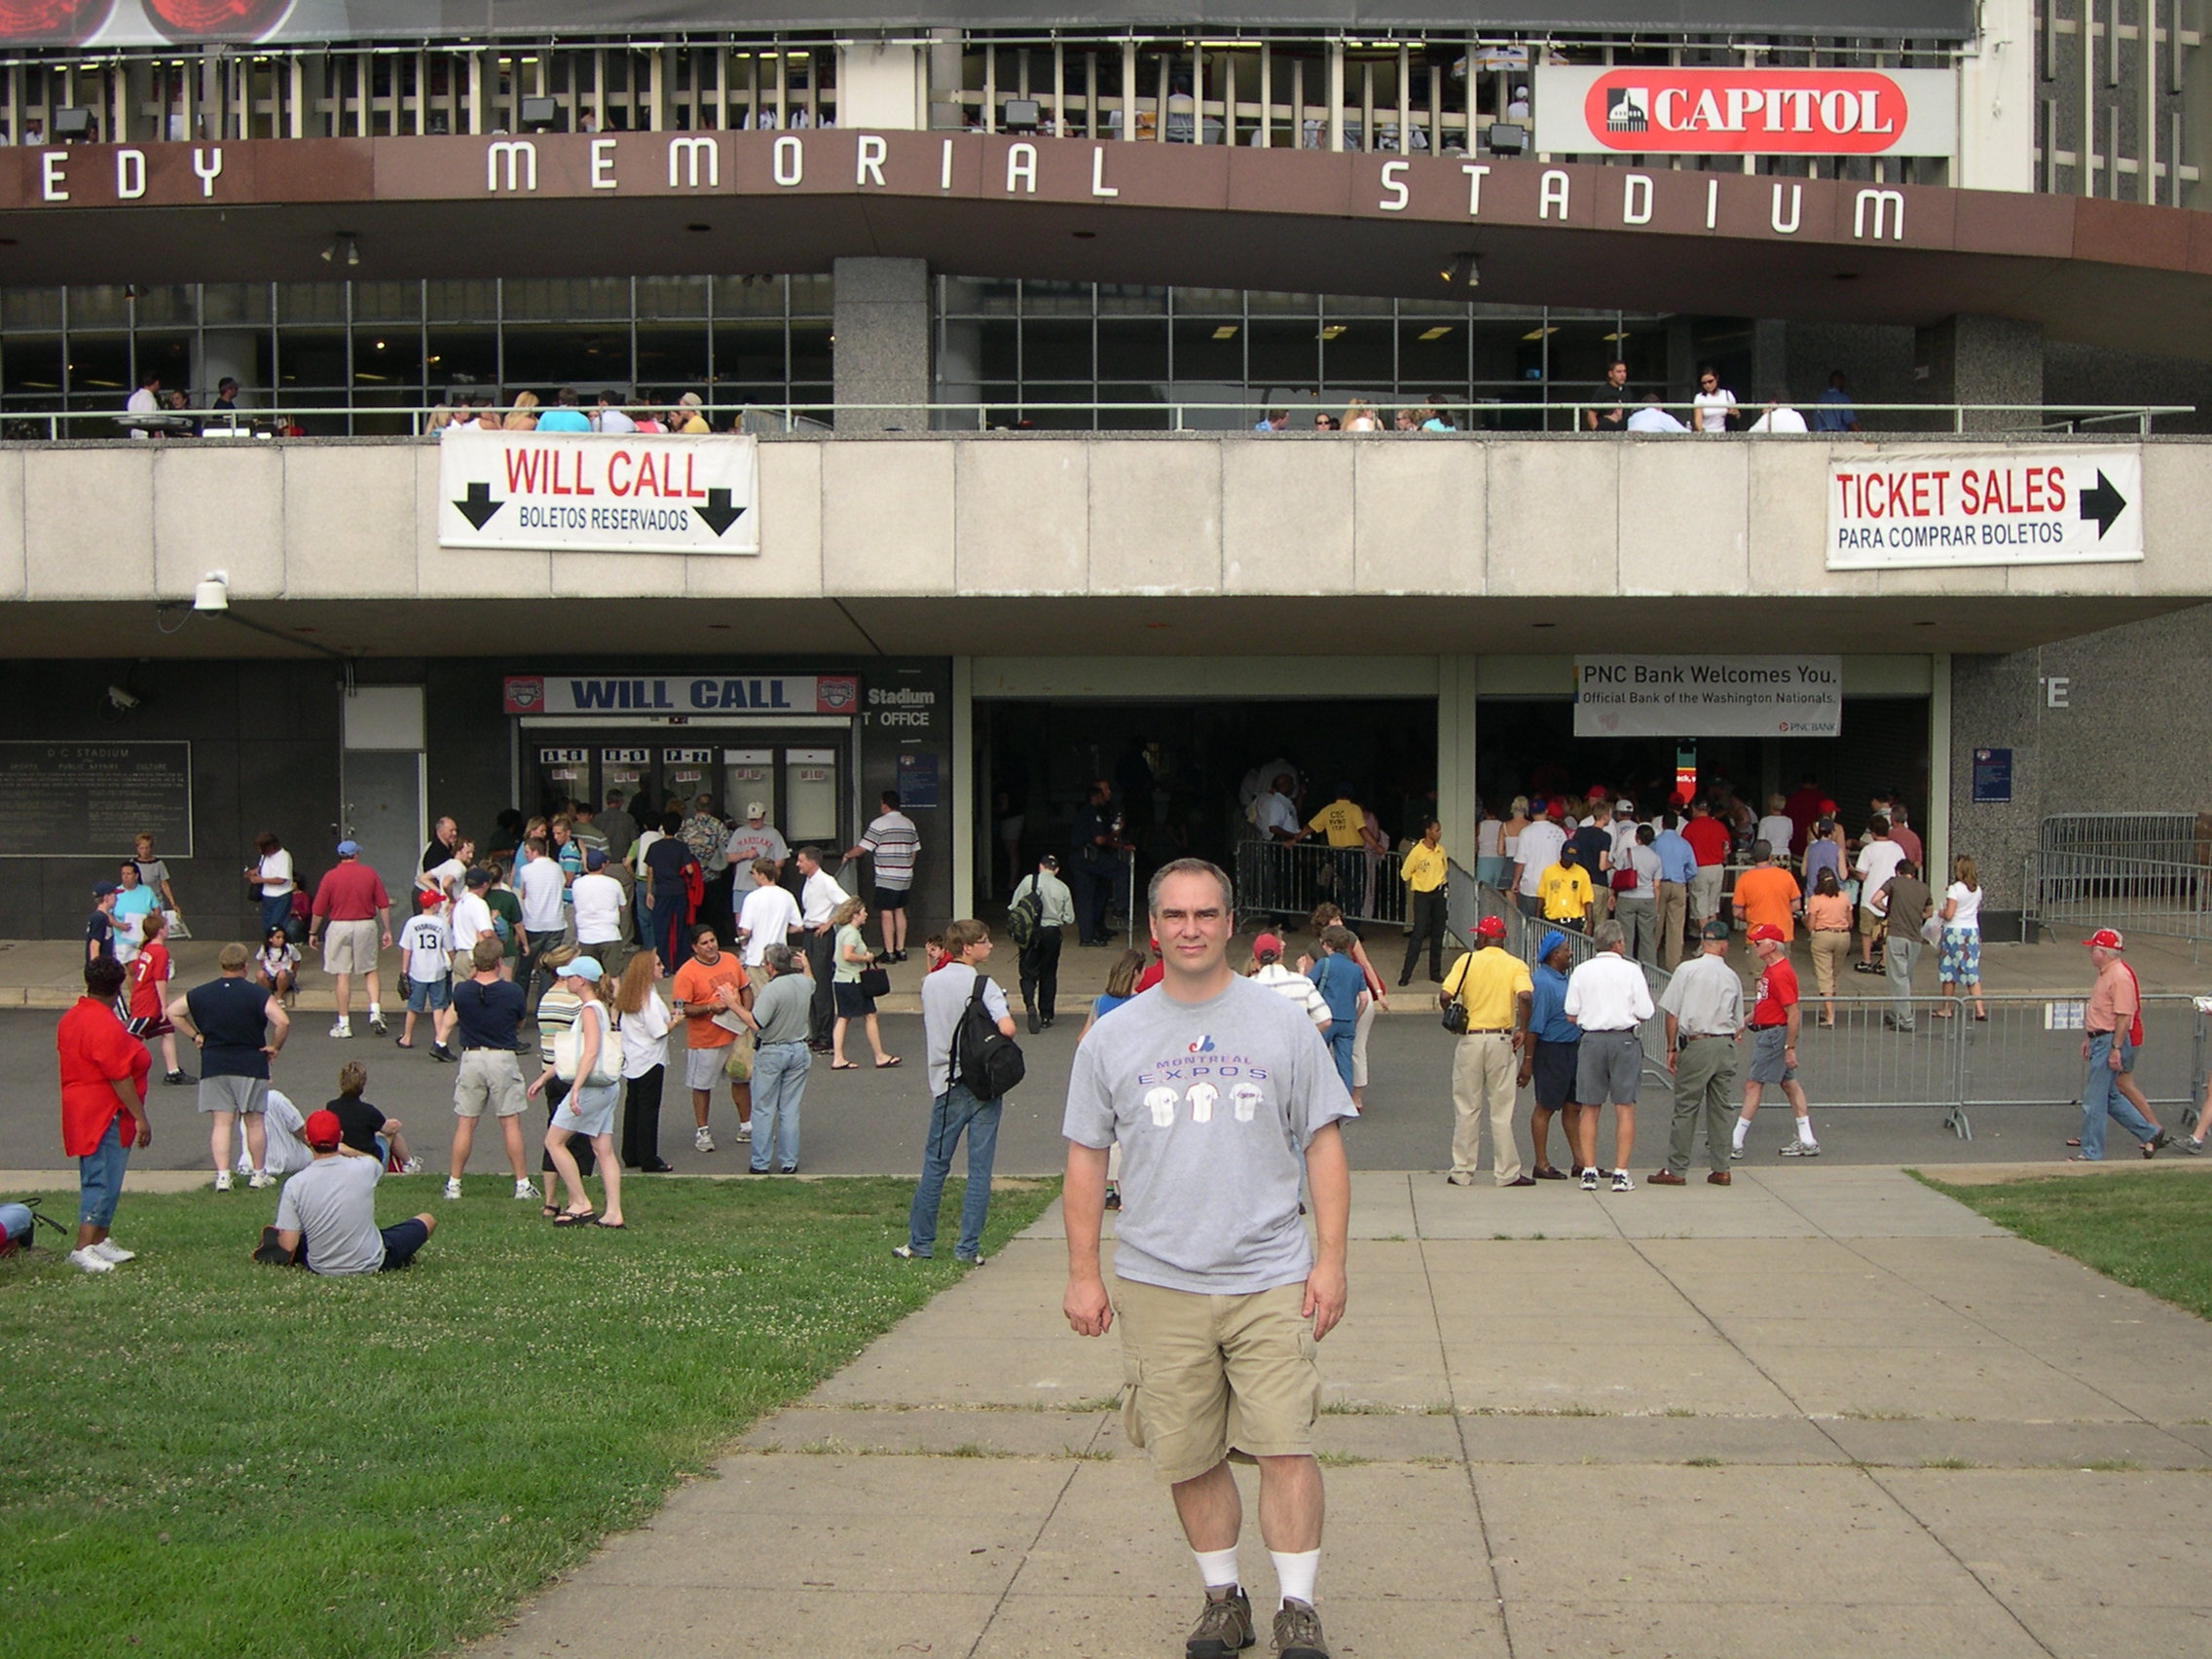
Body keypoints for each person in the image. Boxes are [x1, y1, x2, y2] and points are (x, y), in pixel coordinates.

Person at [1060, 857, 1354, 1659]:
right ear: (1154, 928)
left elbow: (1323, 1143)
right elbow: (1086, 1156)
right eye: (1175, 915)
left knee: (1286, 1443)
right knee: (1187, 1452)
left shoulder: (1282, 1024)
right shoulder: (1113, 1035)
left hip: (1270, 1275)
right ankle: (1224, 1599)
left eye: (1205, 914)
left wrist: (1330, 1261)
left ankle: (1298, 1607)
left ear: (1229, 923)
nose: (1190, 929)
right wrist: (1083, 1274)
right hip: (1159, 1280)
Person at [894, 918, 1016, 1265]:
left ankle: (920, 1242)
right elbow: (1007, 1028)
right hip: (982, 1084)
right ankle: (967, 1248)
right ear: (967, 947)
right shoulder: (984, 985)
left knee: (935, 1164)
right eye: (984, 941)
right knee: (979, 1169)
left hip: (945, 1082)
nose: (989, 946)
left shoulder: (930, 983)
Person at [168, 941, 290, 1193]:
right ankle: (258, 1173)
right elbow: (282, 1022)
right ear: (245, 966)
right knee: (254, 1122)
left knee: (222, 1123)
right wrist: (274, 1047)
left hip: (214, 1063)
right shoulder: (257, 994)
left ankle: (223, 1176)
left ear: (222, 964)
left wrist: (195, 1035)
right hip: (250, 1062)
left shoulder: (201, 993)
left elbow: (173, 1012)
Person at [57, 956, 152, 1272]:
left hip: (82, 1107)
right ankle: (83, 1247)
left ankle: (99, 1240)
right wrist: (140, 1116)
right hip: (103, 1111)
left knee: (106, 1174)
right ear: (118, 987)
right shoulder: (104, 1024)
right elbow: (119, 1076)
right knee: (102, 1177)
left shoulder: (73, 1017)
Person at [272, 1109, 438, 1273]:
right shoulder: (364, 1168)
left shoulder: (294, 1184)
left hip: (321, 1267)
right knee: (427, 1219)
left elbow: (289, 1245)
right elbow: (375, 1162)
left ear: (308, 1139)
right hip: (370, 1261)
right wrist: (347, 1150)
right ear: (340, 1136)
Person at [528, 956, 625, 1227]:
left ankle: (580, 1202)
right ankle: (614, 1213)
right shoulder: (597, 1008)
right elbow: (574, 1054)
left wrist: (576, 1088)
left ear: (581, 981)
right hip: (606, 1087)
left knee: (554, 1142)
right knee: (603, 1149)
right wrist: (544, 1077)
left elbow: (590, 1051)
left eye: (569, 976)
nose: (566, 980)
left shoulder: (589, 1010)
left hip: (591, 1088)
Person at [1439, 914, 1534, 1188]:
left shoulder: (1467, 961)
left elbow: (1445, 995)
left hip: (1471, 1038)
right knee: (1501, 1109)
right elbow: (1525, 996)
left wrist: (1454, 1017)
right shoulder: (1515, 965)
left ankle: (1462, 1170)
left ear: (1483, 937)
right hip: (1500, 1038)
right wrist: (1523, 1028)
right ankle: (1506, 1172)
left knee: (1466, 1106)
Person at [444, 937, 536, 1202]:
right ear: (498, 962)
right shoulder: (512, 992)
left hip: (471, 1056)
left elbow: (458, 1015)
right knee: (510, 1122)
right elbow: (518, 1022)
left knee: (466, 1122)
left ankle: (454, 1184)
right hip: (502, 1056)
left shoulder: (462, 991)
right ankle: (521, 1184)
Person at [1652, 922, 1744, 1187]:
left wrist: (1671, 1047)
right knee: (1721, 1108)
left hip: (1697, 1042)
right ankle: (1722, 1168)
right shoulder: (1732, 976)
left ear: (1703, 943)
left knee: (1686, 1107)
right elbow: (1738, 1021)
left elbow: (1672, 1012)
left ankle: (1677, 1168)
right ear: (1724, 945)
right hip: (1724, 1043)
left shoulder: (1687, 970)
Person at [1565, 919, 1653, 1192]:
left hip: (1591, 1039)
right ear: (1617, 944)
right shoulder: (1631, 970)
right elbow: (1646, 1010)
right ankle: (1621, 1172)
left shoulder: (1581, 970)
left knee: (1589, 1107)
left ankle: (1589, 1170)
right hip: (1623, 1039)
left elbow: (1571, 1011)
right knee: (1624, 1107)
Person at [2071, 929, 2167, 1161]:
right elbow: (2101, 1012)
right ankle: (2150, 1133)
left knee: (2094, 1101)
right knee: (2111, 1097)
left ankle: (2092, 1152)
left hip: (2108, 1041)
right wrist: (2089, 1037)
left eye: (2093, 949)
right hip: (2100, 1039)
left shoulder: (2119, 977)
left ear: (2102, 952)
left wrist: (2115, 1048)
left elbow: (2124, 1017)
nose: (2090, 954)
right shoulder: (2108, 974)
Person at [1731, 923, 1818, 1159]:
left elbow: (1793, 1013)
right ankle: (1807, 1139)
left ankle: (1735, 1141)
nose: (1754, 946)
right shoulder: (1771, 970)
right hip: (1770, 1032)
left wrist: (1789, 1047)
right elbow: (1764, 1004)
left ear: (1771, 945)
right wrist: (1745, 1022)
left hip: (1773, 1035)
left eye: (1758, 942)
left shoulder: (1780, 973)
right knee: (1789, 1084)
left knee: (1753, 1084)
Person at [672, 923, 750, 1151]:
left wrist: (745, 1014)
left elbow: (745, 988)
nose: (710, 946)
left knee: (742, 1079)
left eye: (712, 940)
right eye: (704, 943)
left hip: (735, 1035)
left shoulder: (731, 960)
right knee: (702, 1086)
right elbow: (681, 1008)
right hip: (705, 1040)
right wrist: (709, 1008)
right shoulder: (686, 973)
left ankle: (747, 1126)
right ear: (694, 947)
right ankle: (702, 1131)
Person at [308, 839, 393, 1038]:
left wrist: (312, 932)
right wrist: (387, 929)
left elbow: (318, 909)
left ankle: (344, 1023)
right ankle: (375, 1011)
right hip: (365, 924)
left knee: (342, 973)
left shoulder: (330, 876)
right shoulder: (369, 873)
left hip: (339, 926)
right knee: (370, 969)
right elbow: (383, 904)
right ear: (355, 855)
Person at [743, 942, 814, 1175]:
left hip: (772, 1051)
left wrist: (732, 1004)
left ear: (770, 966)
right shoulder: (803, 983)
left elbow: (756, 1022)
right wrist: (806, 965)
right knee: (790, 1109)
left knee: (763, 1109)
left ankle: (760, 1162)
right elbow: (811, 982)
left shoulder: (771, 990)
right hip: (799, 1049)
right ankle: (789, 1161)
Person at [1521, 931, 1580, 1183]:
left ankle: (1581, 1162)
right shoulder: (1543, 983)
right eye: (1567, 949)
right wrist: (1528, 1060)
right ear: (1555, 954)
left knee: (1573, 1107)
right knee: (1545, 1107)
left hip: (1571, 1048)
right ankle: (1541, 1163)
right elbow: (1535, 1026)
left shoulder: (1563, 978)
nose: (1570, 953)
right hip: (1551, 1050)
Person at [844, 791, 920, 962]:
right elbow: (914, 850)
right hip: (905, 875)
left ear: (885, 805)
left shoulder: (879, 824)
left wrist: (848, 854)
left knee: (886, 912)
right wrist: (907, 866)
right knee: (900, 910)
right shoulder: (909, 824)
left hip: (887, 875)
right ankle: (901, 949)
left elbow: (863, 848)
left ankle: (890, 952)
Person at [827, 896, 900, 1070]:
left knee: (844, 1017)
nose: (866, 915)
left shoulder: (843, 931)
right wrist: (866, 958)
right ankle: (879, 1055)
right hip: (854, 980)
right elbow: (847, 955)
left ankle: (838, 1057)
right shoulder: (852, 933)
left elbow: (837, 957)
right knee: (870, 1015)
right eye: (863, 912)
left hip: (841, 979)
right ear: (855, 914)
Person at [1011, 852, 1075, 1033]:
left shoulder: (1028, 881)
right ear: (1057, 870)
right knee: (1049, 973)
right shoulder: (1063, 888)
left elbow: (1014, 906)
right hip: (1052, 934)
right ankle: (1046, 1015)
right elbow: (1069, 918)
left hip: (1030, 933)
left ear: (1040, 866)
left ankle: (1030, 1005)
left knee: (1027, 972)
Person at [126, 908, 190, 1086]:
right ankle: (119, 1069)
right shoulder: (160, 952)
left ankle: (173, 1071)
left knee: (167, 1032)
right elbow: (159, 980)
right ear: (160, 930)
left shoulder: (146, 948)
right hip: (148, 1002)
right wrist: (163, 1005)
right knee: (131, 1037)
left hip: (143, 997)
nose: (168, 929)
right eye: (166, 926)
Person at [793, 846, 847, 1051]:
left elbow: (847, 902)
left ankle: (825, 1035)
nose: (798, 864)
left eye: (801, 861)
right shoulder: (809, 881)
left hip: (821, 935)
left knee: (821, 984)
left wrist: (830, 922)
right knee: (809, 982)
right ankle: (815, 1032)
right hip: (808, 933)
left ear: (811, 862)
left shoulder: (826, 881)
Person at [327, 1059, 421, 1171]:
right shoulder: (368, 1111)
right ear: (363, 1084)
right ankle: (409, 1163)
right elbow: (388, 1128)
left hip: (344, 1156)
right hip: (369, 1158)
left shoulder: (331, 1107)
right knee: (392, 1134)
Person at [1305, 926, 1367, 1094]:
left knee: (1318, 1059)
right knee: (1345, 1063)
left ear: (1327, 944)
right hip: (1347, 1020)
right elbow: (1364, 998)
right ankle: (1345, 1099)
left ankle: (1319, 1096)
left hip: (1325, 1019)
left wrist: (1302, 969)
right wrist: (1355, 1018)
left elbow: (1306, 986)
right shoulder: (1356, 969)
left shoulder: (1324, 964)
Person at [1069, 780, 1130, 945]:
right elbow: (1100, 839)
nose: (1109, 793)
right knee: (1120, 871)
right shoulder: (1090, 812)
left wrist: (1122, 845)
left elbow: (1104, 839)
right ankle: (1120, 909)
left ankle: (1097, 929)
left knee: (1100, 891)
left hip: (1092, 857)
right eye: (1106, 790)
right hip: (1085, 858)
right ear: (1096, 794)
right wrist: (1115, 833)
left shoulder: (1101, 811)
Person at [396, 891, 456, 1058]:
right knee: (438, 1006)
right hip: (437, 969)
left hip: (418, 970)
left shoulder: (412, 922)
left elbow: (407, 949)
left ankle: (407, 1037)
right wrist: (454, 962)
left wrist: (404, 970)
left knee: (413, 1006)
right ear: (434, 905)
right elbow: (449, 948)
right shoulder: (441, 923)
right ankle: (439, 1038)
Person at [1876, 859, 1933, 1031]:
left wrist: (1888, 911)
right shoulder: (1924, 888)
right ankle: (1896, 1013)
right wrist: (1916, 915)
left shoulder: (1894, 882)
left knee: (1897, 978)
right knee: (1905, 978)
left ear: (1898, 872)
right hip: (1915, 938)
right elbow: (1929, 912)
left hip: (1897, 935)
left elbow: (1875, 899)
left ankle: (1906, 1020)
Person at [1932, 855, 1989, 1021]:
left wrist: (1941, 913)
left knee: (1949, 970)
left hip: (1954, 932)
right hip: (1972, 931)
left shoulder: (1955, 889)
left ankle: (1947, 1008)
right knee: (1970, 968)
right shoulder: (1977, 889)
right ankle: (1979, 1009)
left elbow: (1949, 914)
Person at [639, 813, 699, 971]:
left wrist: (649, 892)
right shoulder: (681, 847)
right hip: (679, 890)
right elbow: (690, 869)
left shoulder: (654, 847)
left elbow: (650, 871)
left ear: (663, 827)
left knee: (661, 928)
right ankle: (680, 963)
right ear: (678, 828)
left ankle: (663, 964)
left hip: (661, 890)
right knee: (680, 927)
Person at [735, 856, 802, 987]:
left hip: (757, 957)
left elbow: (745, 931)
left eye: (753, 873)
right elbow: (799, 926)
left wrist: (743, 941)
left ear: (762, 875)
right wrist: (782, 928)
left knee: (761, 995)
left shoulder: (752, 898)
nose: (752, 876)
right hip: (780, 958)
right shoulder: (787, 896)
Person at [1398, 818, 1449, 985]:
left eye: (1439, 830)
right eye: (1436, 830)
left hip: (1438, 894)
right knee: (1418, 933)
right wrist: (1419, 880)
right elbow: (1405, 873)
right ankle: (1406, 974)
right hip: (1422, 896)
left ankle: (1435, 972)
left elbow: (1444, 870)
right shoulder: (1417, 852)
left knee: (1437, 933)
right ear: (1428, 831)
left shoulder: (1440, 851)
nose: (1439, 833)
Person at [1852, 817, 1905, 973]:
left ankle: (1866, 960)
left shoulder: (1868, 850)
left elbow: (1862, 875)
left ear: (1873, 833)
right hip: (1891, 897)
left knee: (1866, 931)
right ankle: (1884, 962)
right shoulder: (1897, 848)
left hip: (1870, 897)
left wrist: (1852, 870)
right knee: (1887, 932)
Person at [1803, 869, 1854, 1028]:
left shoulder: (1815, 899)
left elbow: (1811, 925)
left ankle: (1829, 1016)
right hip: (1843, 936)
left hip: (1823, 936)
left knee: (1825, 976)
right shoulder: (1844, 897)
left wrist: (1805, 920)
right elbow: (1851, 922)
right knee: (1834, 974)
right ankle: (1829, 1010)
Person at [1251, 932, 1331, 1032]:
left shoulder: (1247, 988)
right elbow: (1325, 1020)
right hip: (1295, 1040)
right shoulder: (1303, 983)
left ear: (1256, 959)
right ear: (1280, 953)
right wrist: (1305, 1037)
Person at [1680, 801, 1731, 944]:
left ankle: (1706, 944)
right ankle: (1715, 942)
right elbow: (1726, 849)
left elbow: (1684, 851)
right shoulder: (1719, 826)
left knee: (1701, 909)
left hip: (1699, 869)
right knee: (1712, 909)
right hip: (1717, 868)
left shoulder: (1690, 827)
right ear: (1708, 809)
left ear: (1694, 809)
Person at [1651, 809, 1696, 971]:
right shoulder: (1684, 844)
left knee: (1656, 924)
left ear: (1662, 824)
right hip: (1678, 886)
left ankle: (1651, 964)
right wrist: (1682, 877)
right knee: (1676, 928)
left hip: (1659, 885)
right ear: (1677, 825)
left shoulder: (1655, 843)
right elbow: (1693, 869)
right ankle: (1673, 966)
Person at [1731, 841, 1800, 941]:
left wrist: (1751, 917)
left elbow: (1737, 912)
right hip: (1783, 934)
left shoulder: (1744, 879)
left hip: (1756, 935)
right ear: (1770, 856)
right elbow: (1796, 905)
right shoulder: (1786, 875)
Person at [1510, 800, 1567, 921]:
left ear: (1531, 814)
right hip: (1553, 884)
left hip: (1530, 885)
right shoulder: (1558, 831)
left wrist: (1515, 881)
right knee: (1551, 923)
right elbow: (1564, 858)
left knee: (1528, 922)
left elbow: (1521, 861)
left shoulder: (1525, 832)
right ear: (1546, 811)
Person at [1615, 823, 1663, 965]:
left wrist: (1612, 895)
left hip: (1626, 897)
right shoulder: (1656, 857)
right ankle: (1649, 971)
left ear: (1637, 837)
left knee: (1626, 936)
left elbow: (1616, 875)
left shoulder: (1627, 853)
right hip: (1647, 898)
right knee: (1647, 938)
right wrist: (1656, 906)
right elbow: (1657, 885)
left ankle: (1626, 967)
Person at [1537, 842, 1594, 933]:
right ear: (1561, 854)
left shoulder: (1582, 873)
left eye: (1572, 860)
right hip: (1552, 922)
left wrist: (1589, 923)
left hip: (1573, 923)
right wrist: (1537, 921)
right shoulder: (1548, 872)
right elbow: (1541, 897)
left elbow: (1587, 900)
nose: (1569, 862)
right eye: (1567, 859)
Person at [256, 924, 301, 1007]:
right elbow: (260, 959)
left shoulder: (289, 948)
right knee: (260, 974)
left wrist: (294, 972)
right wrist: (264, 968)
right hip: (270, 975)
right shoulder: (265, 948)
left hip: (284, 976)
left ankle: (280, 997)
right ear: (270, 939)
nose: (281, 940)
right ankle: (269, 995)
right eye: (278, 937)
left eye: (282, 937)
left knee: (282, 974)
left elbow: (297, 959)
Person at [1585, 358, 1631, 431]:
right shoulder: (1602, 391)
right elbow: (1591, 414)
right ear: (1610, 374)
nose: (1623, 375)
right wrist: (1598, 432)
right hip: (1607, 432)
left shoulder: (1628, 391)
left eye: (1624, 371)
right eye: (1619, 372)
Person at [1811, 369, 1861, 433]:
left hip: (1820, 436)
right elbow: (1849, 419)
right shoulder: (1843, 398)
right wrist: (1862, 434)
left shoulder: (1820, 398)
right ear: (1841, 382)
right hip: (1837, 436)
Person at [1691, 365, 1737, 432]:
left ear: (1717, 378)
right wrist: (1703, 433)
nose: (1707, 385)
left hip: (1724, 433)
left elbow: (1737, 415)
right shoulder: (1700, 397)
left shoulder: (1727, 394)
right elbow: (1698, 419)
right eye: (1704, 383)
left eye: (1710, 381)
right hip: (1707, 433)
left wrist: (1733, 412)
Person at [85, 881, 120, 964]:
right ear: (106, 897)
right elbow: (94, 946)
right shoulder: (99, 918)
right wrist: (96, 968)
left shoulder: (104, 917)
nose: (117, 898)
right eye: (114, 895)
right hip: (101, 968)